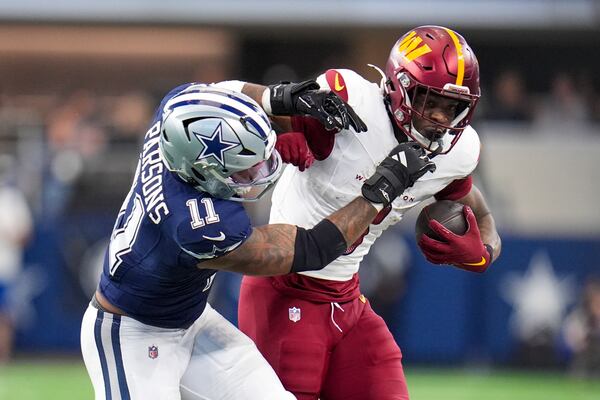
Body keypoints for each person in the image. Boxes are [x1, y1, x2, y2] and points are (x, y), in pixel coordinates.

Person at [80, 81, 436, 399]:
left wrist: (285, 97)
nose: (259, 174)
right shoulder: (197, 226)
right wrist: (379, 192)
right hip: (131, 337)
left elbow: (226, 93)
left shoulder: (178, 114)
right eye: (243, 168)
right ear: (203, 172)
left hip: (193, 320)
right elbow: (313, 248)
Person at [237, 25, 502, 400]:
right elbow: (246, 111)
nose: (441, 119)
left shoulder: (456, 153)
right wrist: (284, 121)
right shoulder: (350, 103)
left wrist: (484, 252)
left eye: (453, 107)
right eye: (431, 101)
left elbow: (483, 214)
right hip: (284, 291)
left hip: (348, 302)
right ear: (400, 87)